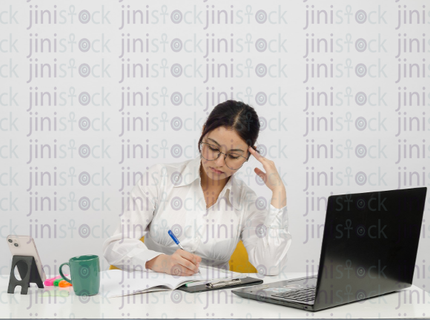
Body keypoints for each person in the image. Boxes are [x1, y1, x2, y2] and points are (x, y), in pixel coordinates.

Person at [103, 100, 291, 276]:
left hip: (215, 302)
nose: (219, 162)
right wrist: (160, 262)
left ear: (249, 154)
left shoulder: (247, 201)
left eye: (233, 156)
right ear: (203, 133)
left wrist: (279, 193)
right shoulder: (159, 177)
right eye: (212, 147)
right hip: (155, 299)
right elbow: (116, 245)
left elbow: (270, 266)